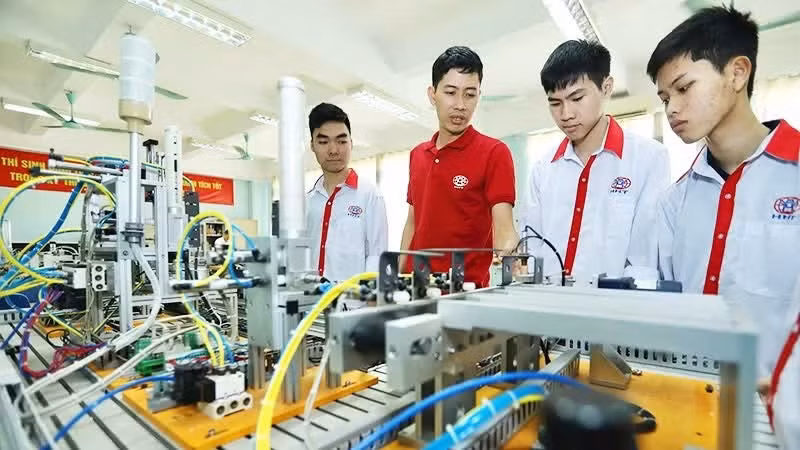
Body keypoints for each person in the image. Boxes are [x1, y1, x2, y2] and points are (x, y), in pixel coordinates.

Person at [646, 5, 800, 383]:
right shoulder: (674, 201)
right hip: (690, 396)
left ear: (737, 72)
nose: (673, 109)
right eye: (665, 98)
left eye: (683, 88)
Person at [523, 40, 669, 284]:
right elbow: (533, 249)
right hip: (548, 307)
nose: (566, 114)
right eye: (555, 103)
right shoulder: (543, 169)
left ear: (606, 87)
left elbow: (644, 260)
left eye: (577, 98)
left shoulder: (648, 159)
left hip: (613, 311)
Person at [400, 46, 518, 288]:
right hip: (414, 290)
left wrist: (510, 261)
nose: (460, 105)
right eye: (451, 92)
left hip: (465, 294)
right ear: (432, 94)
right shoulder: (417, 155)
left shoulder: (494, 153)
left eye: (470, 94)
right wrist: (397, 279)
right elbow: (413, 223)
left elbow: (505, 230)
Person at [306, 103, 388, 285]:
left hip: (352, 305)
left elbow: (377, 256)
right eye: (323, 141)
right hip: (312, 304)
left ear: (351, 143)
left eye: (341, 141)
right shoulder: (308, 201)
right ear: (312, 145)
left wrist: (370, 300)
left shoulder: (370, 195)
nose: (334, 150)